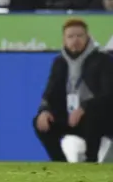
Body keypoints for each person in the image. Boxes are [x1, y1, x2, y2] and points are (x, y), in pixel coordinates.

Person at [34, 18, 113, 163]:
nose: (75, 40)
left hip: (99, 119)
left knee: (93, 114)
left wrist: (84, 107)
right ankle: (61, 163)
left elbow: (108, 94)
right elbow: (50, 92)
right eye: (70, 36)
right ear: (64, 40)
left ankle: (91, 161)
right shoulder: (59, 62)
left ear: (87, 37)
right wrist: (44, 110)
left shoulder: (103, 60)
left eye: (79, 36)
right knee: (39, 122)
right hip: (70, 117)